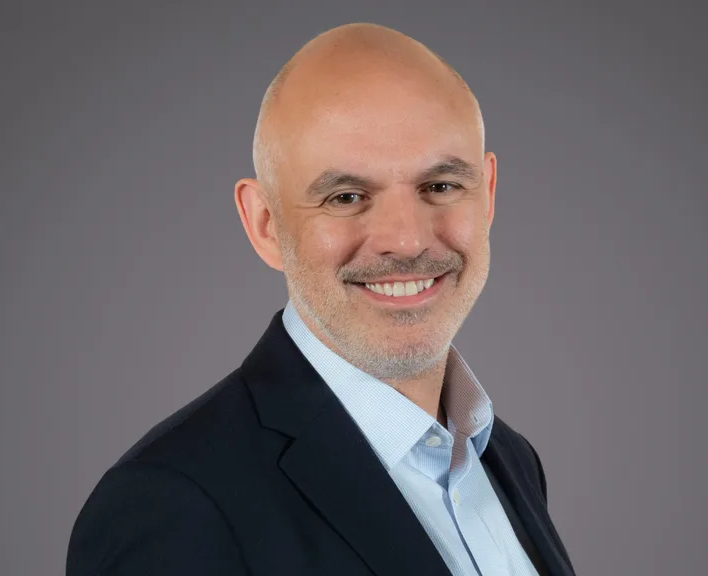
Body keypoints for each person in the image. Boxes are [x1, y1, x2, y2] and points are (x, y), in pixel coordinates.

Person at [66, 23, 576, 576]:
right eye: (347, 196)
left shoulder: (508, 459)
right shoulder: (174, 507)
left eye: (442, 186)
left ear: (489, 194)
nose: (407, 239)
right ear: (264, 224)